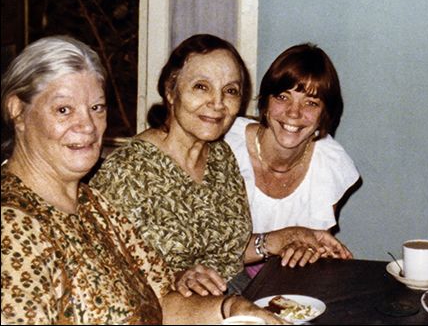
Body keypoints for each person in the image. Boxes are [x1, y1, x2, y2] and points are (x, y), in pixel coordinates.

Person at [0, 36, 283, 324]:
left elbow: (162, 298)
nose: (87, 126)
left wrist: (232, 309)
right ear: (17, 111)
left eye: (97, 108)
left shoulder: (92, 204)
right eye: (64, 109)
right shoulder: (13, 227)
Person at [90, 34, 352, 298]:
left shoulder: (220, 156)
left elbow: (226, 253)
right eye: (201, 87)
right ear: (171, 91)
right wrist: (172, 278)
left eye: (230, 91)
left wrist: (288, 236)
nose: (217, 104)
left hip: (235, 298)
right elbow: (102, 273)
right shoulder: (127, 171)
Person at [224, 43, 360, 277]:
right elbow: (206, 248)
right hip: (221, 278)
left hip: (282, 280)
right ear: (265, 103)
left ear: (324, 115)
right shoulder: (226, 144)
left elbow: (306, 251)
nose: (294, 113)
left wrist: (314, 251)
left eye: (311, 103)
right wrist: (280, 239)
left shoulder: (329, 164)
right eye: (282, 97)